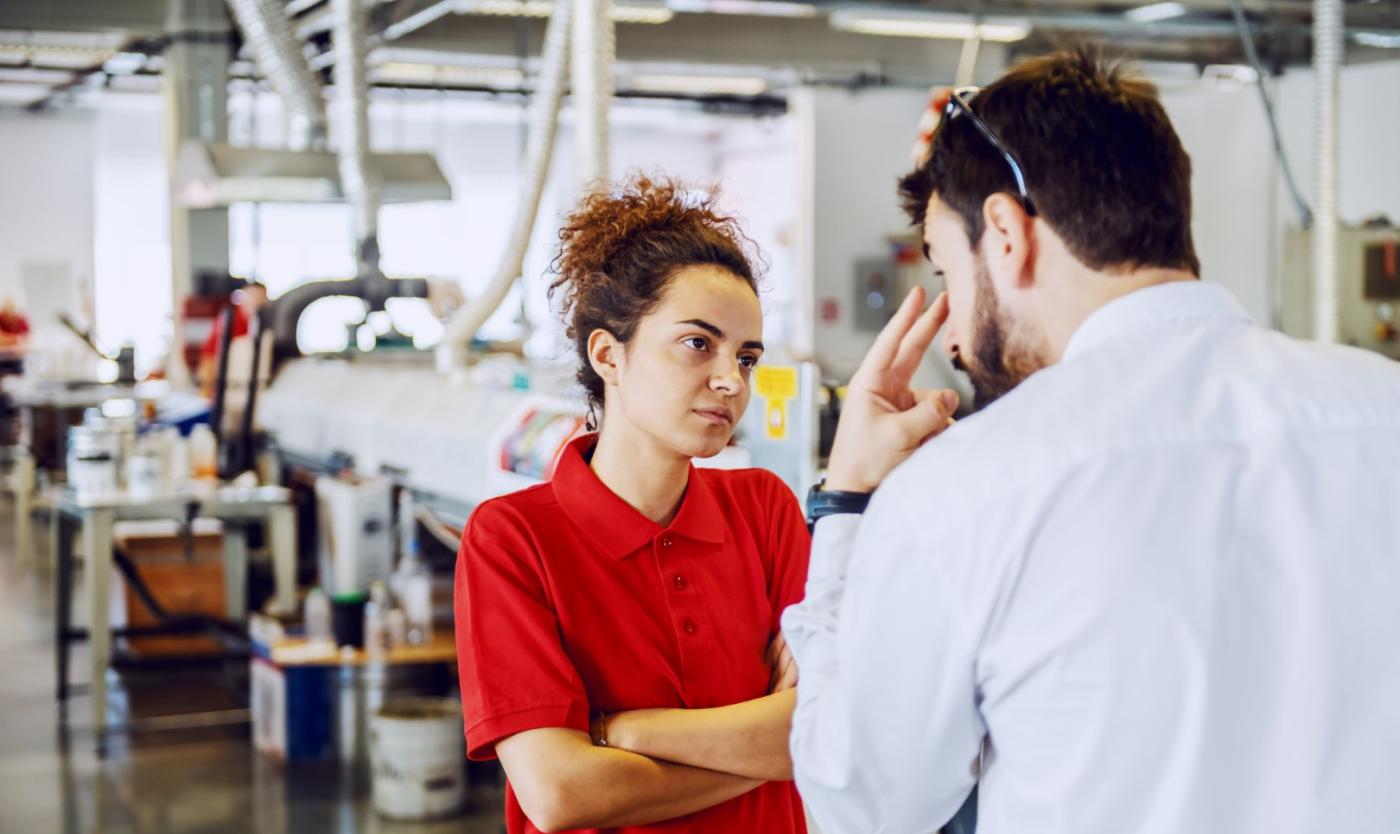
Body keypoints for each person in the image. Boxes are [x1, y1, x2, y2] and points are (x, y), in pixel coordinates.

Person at [784, 47, 1400, 834]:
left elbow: (861, 803)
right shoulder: (1383, 412)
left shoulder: (968, 493)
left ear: (1005, 234)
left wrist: (845, 508)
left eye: (947, 272)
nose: (956, 338)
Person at [455, 175, 809, 834]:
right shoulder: (512, 539)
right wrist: (772, 749)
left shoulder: (765, 508)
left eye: (748, 356)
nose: (732, 380)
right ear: (608, 354)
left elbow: (825, 728)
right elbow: (562, 794)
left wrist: (627, 730)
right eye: (698, 343)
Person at [197, 281, 268, 396]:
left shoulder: (262, 319)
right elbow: (213, 352)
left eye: (260, 297)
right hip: (214, 362)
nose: (256, 300)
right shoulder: (231, 318)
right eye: (252, 296)